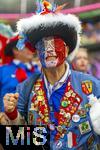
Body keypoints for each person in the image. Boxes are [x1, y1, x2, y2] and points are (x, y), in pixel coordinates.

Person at [3, 1, 100, 149]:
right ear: (37, 52)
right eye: (43, 45)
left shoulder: (92, 86)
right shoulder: (25, 89)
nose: (49, 49)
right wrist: (12, 114)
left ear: (66, 50)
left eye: (55, 43)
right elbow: (19, 139)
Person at [0, 35, 40, 112]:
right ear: (16, 50)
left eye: (32, 47)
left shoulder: (38, 71)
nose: (32, 50)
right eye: (27, 47)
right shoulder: (3, 71)